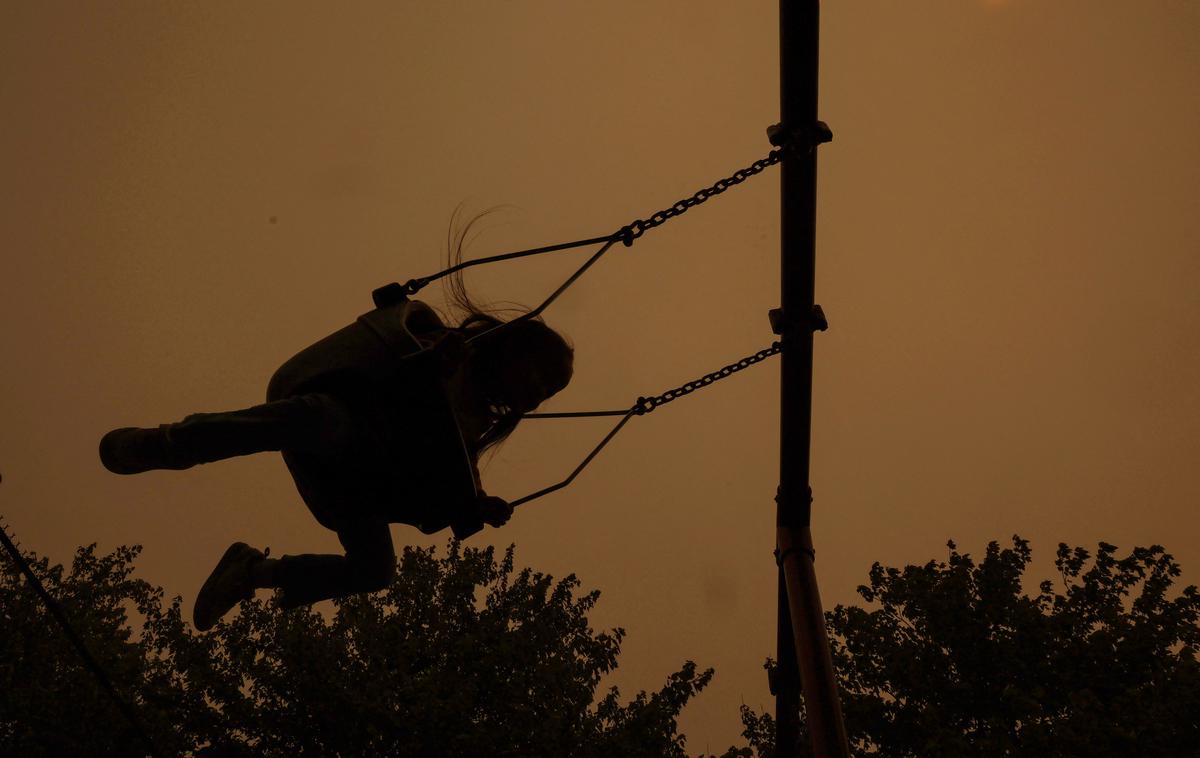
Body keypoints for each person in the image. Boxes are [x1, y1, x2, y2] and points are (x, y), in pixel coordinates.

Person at [99, 216, 574, 631]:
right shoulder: (446, 347)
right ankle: (169, 444)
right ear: (513, 351)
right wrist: (433, 362)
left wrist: (474, 505)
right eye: (537, 380)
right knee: (319, 418)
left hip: (358, 482)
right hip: (340, 416)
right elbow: (394, 367)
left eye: (544, 395)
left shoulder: (470, 431)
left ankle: (255, 572)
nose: (533, 398)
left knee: (377, 571)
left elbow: (440, 492)